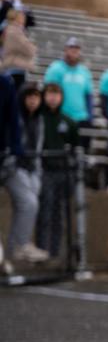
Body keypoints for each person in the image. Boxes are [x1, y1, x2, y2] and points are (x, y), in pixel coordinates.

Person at [34, 83, 79, 259]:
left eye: (56, 94)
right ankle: (42, 249)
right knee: (45, 211)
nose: (52, 98)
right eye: (49, 94)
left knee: (59, 213)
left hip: (63, 172)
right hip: (45, 171)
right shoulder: (40, 119)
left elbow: (76, 147)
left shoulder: (68, 121)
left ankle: (54, 251)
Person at [4, 82, 47, 263]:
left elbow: (37, 148)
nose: (32, 101)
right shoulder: (14, 117)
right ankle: (20, 245)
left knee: (28, 205)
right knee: (29, 204)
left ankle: (12, 251)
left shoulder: (39, 120)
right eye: (29, 96)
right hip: (13, 167)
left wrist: (36, 172)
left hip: (30, 170)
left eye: (36, 96)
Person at [43, 37, 94, 148]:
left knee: (81, 152)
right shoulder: (55, 69)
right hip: (61, 117)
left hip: (81, 118)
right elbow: (47, 92)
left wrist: (90, 117)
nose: (74, 51)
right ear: (65, 50)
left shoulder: (84, 72)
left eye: (77, 49)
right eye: (71, 48)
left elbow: (88, 96)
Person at [1, 9, 36, 90]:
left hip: (13, 66)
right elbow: (29, 49)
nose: (24, 19)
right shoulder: (14, 31)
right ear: (17, 17)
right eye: (22, 17)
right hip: (15, 67)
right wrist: (33, 47)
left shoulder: (9, 29)